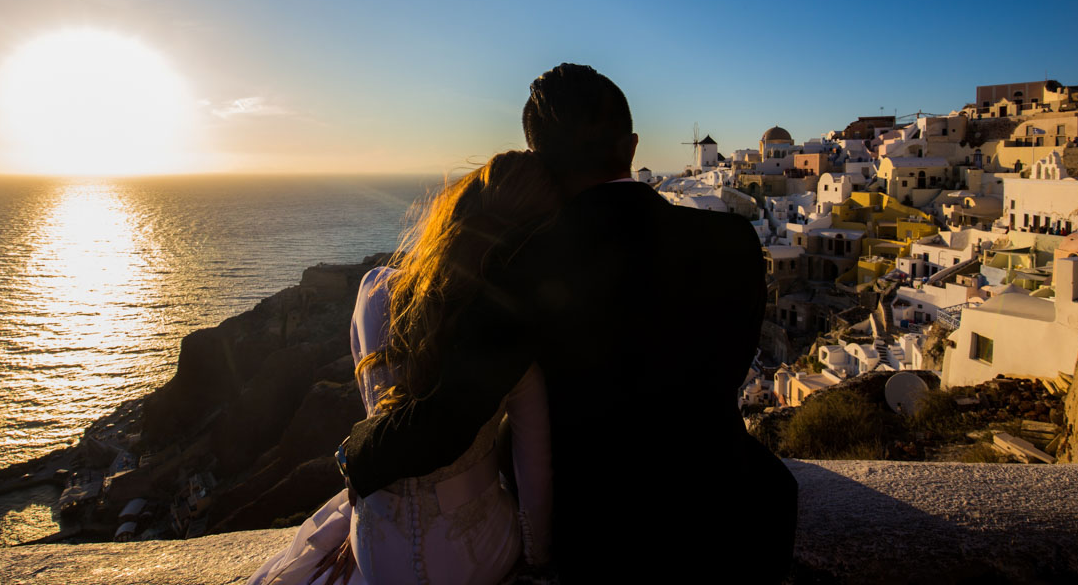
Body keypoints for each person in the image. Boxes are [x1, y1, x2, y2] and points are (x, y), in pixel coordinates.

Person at [342, 64, 798, 582]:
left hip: (606, 544)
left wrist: (355, 453)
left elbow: (448, 421)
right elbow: (726, 376)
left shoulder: (522, 266)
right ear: (630, 148)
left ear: (540, 160)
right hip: (735, 523)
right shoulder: (732, 241)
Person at [248, 151, 557, 585]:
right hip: (474, 555)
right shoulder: (512, 340)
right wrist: (537, 558)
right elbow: (534, 476)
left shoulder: (373, 292)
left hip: (375, 548)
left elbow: (376, 411)